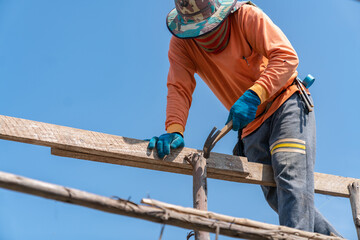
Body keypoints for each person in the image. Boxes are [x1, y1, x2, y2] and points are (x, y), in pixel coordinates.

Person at [147, 0, 341, 236]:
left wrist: (254, 95)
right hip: (250, 127)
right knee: (279, 197)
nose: (203, 37)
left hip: (285, 103)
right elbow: (179, 87)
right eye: (196, 32)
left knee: (291, 182)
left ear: (222, 14)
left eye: (208, 28)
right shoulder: (182, 43)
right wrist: (175, 128)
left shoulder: (246, 16)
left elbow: (286, 57)